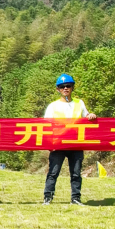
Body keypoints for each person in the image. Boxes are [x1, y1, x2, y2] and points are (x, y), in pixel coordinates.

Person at [43, 73, 95, 205]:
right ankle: (48, 197)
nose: (65, 88)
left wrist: (91, 116)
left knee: (76, 173)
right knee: (53, 172)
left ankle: (75, 198)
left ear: (72, 87)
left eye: (68, 86)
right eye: (62, 86)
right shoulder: (53, 106)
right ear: (58, 89)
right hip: (58, 144)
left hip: (76, 144)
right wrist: (49, 143)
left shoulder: (79, 103)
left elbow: (86, 116)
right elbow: (46, 126)